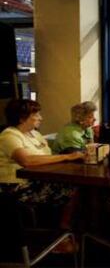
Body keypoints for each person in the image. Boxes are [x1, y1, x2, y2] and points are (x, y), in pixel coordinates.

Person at [0, 99, 83, 240]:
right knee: (73, 190)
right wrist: (67, 157)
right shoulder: (9, 135)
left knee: (83, 188)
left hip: (37, 181)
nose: (41, 118)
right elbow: (27, 160)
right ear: (22, 118)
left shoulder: (35, 134)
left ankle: (69, 233)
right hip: (15, 187)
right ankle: (60, 235)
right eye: (36, 115)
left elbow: (47, 158)